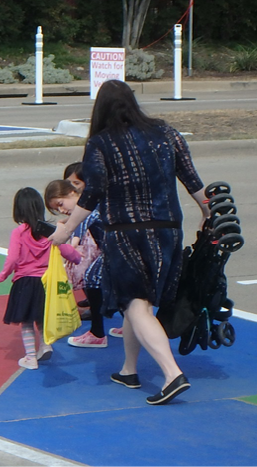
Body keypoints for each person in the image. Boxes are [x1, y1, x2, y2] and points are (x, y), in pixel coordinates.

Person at [49, 79, 211, 406]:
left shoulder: (100, 143)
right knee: (139, 304)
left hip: (125, 232)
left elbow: (92, 193)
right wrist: (208, 212)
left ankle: (171, 374)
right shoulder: (166, 133)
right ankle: (129, 369)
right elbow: (192, 178)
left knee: (135, 302)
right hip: (167, 229)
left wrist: (66, 230)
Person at [0, 187, 80, 370]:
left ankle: (30, 357)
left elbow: (13, 258)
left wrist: (3, 275)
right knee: (41, 316)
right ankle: (45, 345)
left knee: (26, 321)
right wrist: (78, 258)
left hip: (25, 281)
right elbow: (66, 249)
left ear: (18, 209)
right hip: (46, 282)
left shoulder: (19, 232)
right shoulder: (48, 231)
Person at [45, 179, 107, 348]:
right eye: (57, 209)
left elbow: (76, 226)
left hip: (115, 251)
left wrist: (63, 237)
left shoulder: (88, 207)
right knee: (107, 283)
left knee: (92, 277)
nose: (62, 210)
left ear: (72, 193)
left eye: (61, 204)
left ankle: (97, 333)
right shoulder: (90, 206)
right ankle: (124, 323)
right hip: (113, 250)